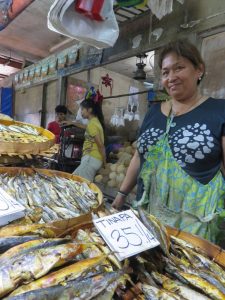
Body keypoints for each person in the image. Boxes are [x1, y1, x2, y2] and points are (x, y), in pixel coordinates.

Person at [113, 39, 225, 245]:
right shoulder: (154, 112)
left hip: (196, 224)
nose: (171, 77)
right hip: (150, 216)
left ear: (199, 70)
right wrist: (120, 195)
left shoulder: (219, 111)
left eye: (179, 68)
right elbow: (139, 156)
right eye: (165, 72)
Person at [73, 96, 106, 182]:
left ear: (90, 110)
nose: (81, 112)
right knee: (73, 180)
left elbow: (100, 145)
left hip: (90, 159)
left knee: (84, 188)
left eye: (83, 109)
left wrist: (104, 162)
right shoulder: (94, 122)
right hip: (91, 159)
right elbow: (86, 127)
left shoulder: (92, 124)